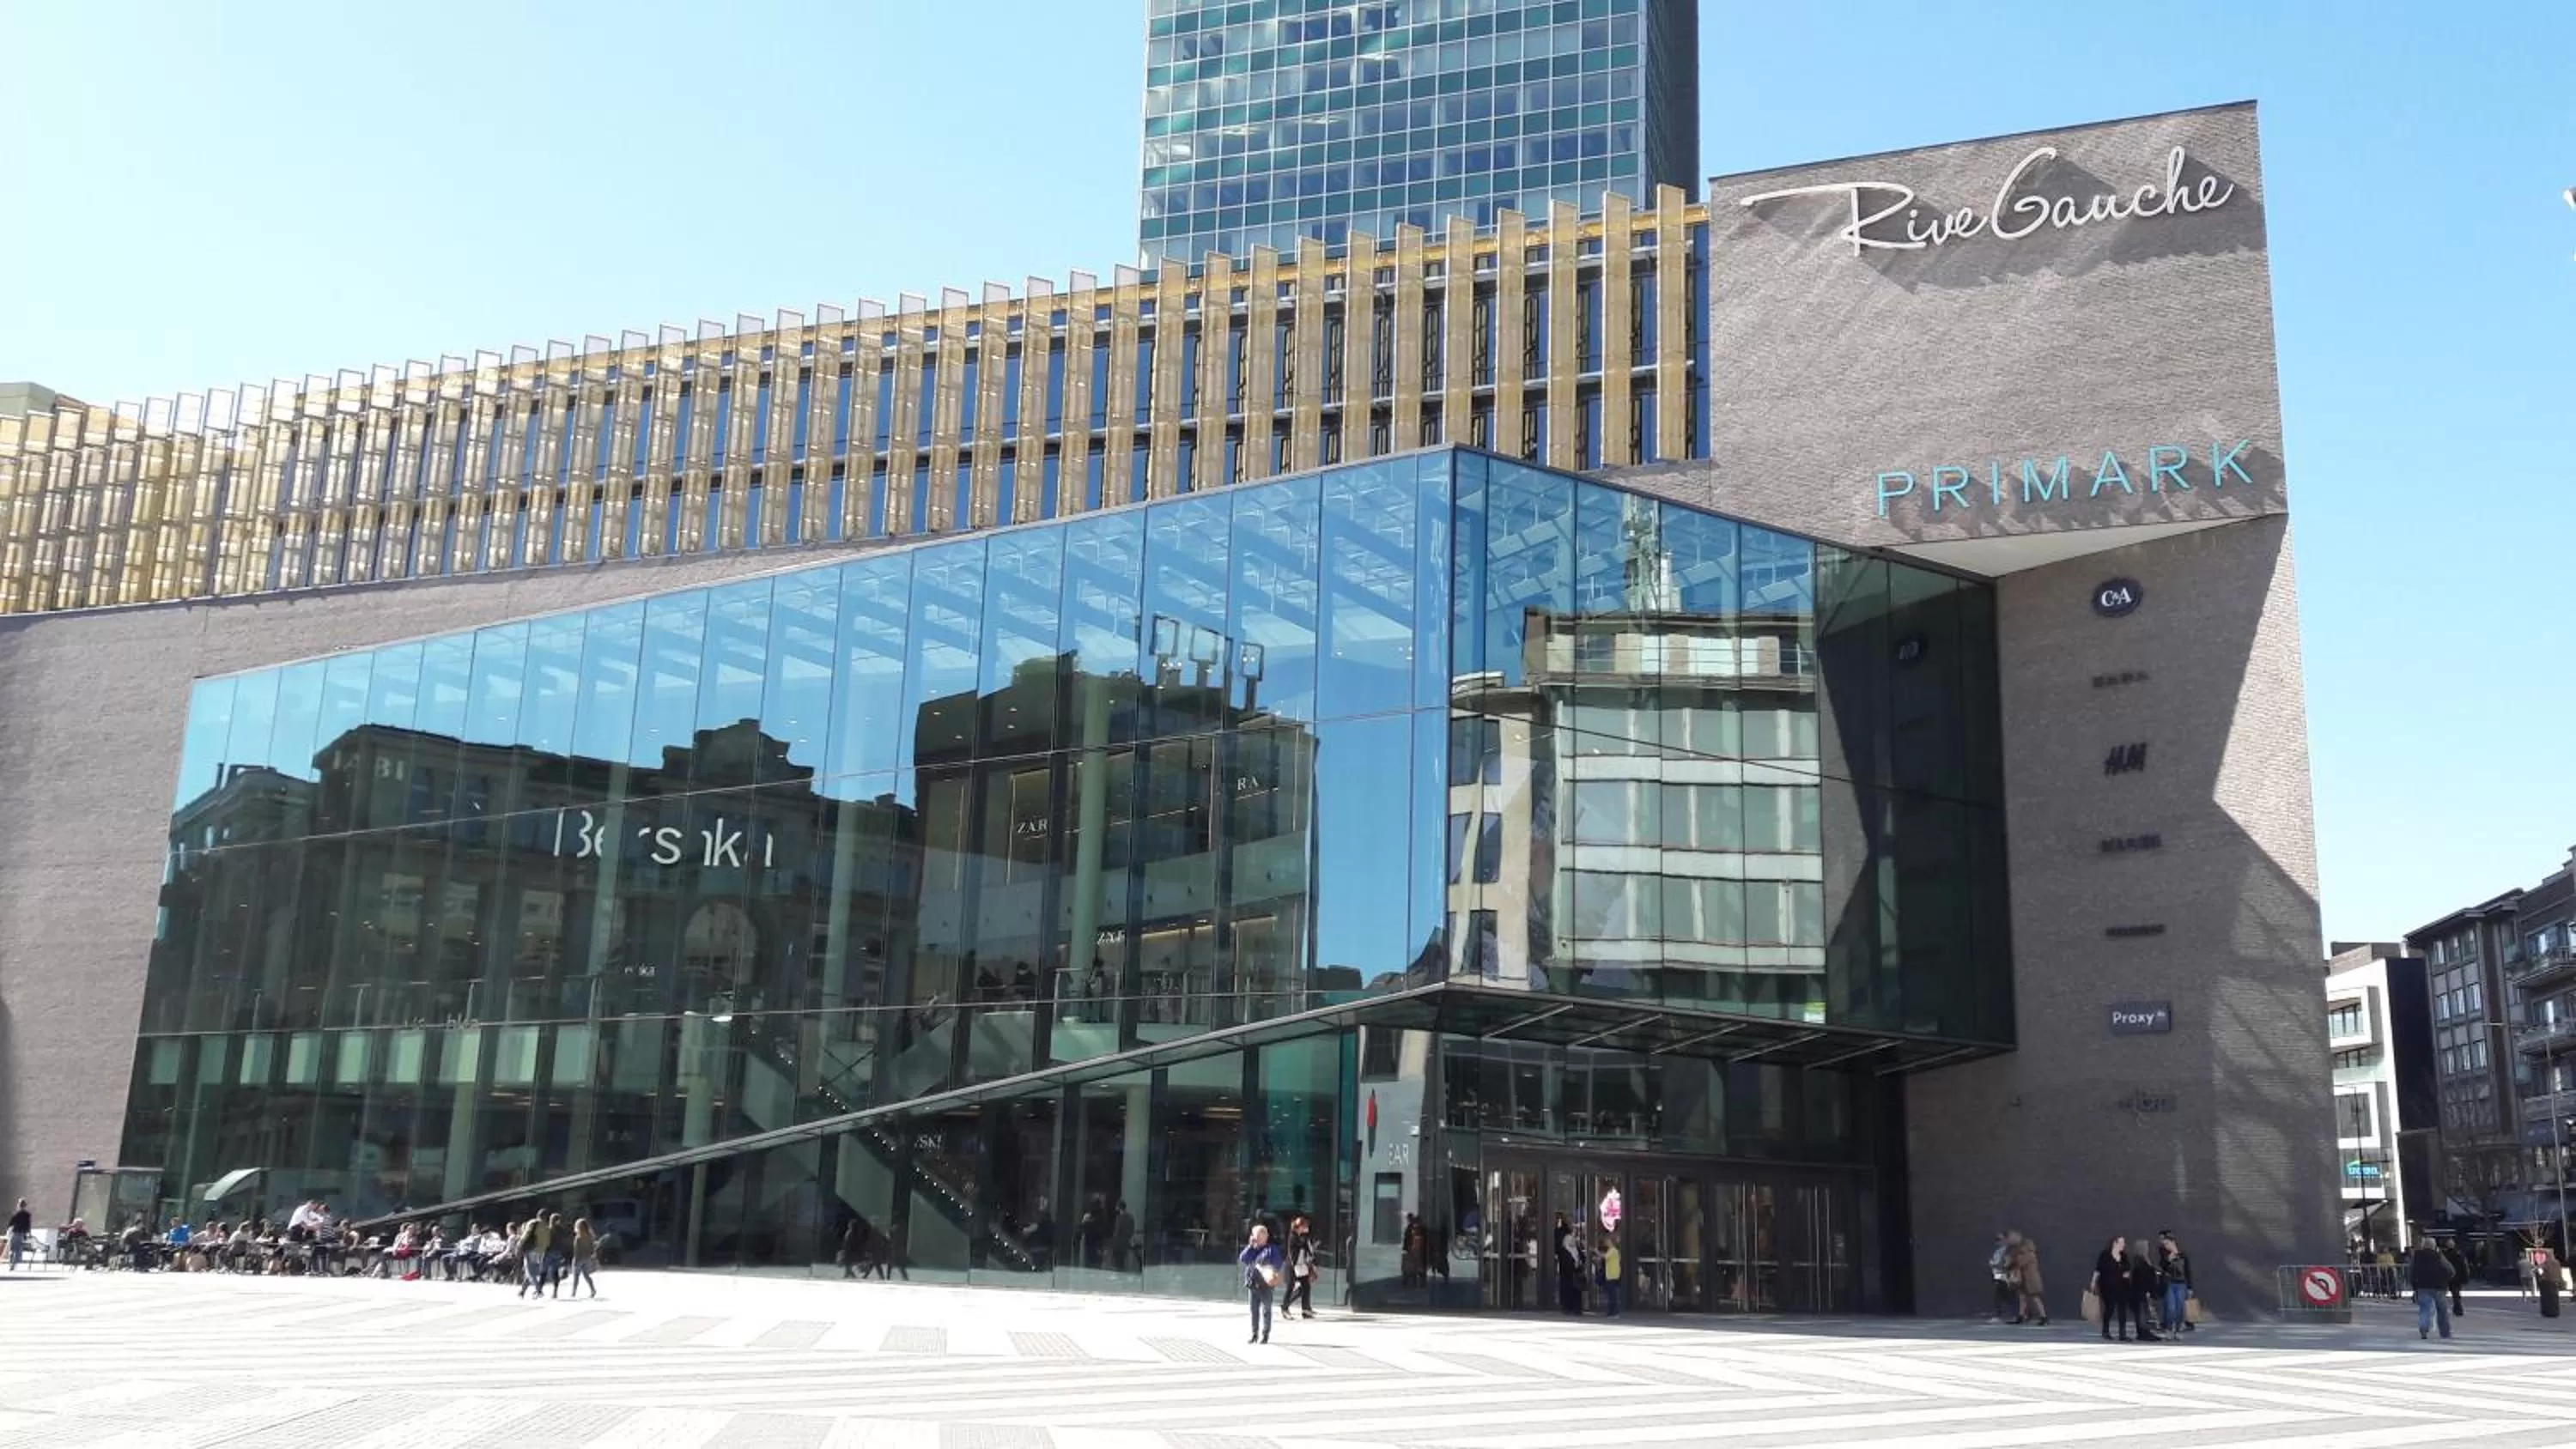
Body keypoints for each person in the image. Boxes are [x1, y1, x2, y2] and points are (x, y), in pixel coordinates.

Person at [1238, 1222, 1283, 1344]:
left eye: (1261, 1236)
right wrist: (1250, 1246)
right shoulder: (1252, 1249)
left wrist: (1269, 1268)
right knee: (1254, 1310)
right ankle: (1254, 1334)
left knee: (1266, 1310)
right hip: (1253, 1283)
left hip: (1266, 1285)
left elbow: (1277, 1263)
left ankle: (1265, 1334)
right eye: (1257, 1236)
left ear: (1266, 1236)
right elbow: (1243, 1258)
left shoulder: (1271, 1249)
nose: (1259, 1239)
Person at [2092, 1234, 2139, 1342]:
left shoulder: (2124, 1255)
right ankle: (2106, 1331)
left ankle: (2123, 1334)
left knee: (2122, 1309)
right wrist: (2093, 1282)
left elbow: (2128, 1268)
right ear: (2115, 1243)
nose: (2124, 1245)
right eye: (2121, 1243)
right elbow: (2098, 1269)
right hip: (2107, 1286)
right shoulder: (2105, 1255)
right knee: (2109, 1308)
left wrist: (2127, 1274)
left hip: (2122, 1286)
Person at [2409, 1238, 2456, 1340]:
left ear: (2423, 1246)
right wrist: (2446, 1280)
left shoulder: (2417, 1256)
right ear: (2434, 1246)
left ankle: (2423, 1327)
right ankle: (2445, 1333)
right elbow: (2450, 1270)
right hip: (2438, 1286)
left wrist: (2414, 1286)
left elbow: (2412, 1271)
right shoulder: (2438, 1256)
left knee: (2425, 1308)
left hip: (2422, 1286)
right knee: (2442, 1310)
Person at [1280, 1214, 1318, 1321]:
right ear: (1300, 1226)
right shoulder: (1293, 1236)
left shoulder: (1302, 1237)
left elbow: (1308, 1249)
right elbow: (1295, 1250)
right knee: (1290, 1287)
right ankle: (1285, 1307)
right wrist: (1305, 1238)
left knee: (1306, 1286)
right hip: (1293, 1266)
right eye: (1305, 1226)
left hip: (1301, 1265)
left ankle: (1306, 1310)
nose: (1307, 1228)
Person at [2125, 1236, 2165, 1340]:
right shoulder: (2139, 1262)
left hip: (2141, 1292)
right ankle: (2143, 1333)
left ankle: (2144, 1332)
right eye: (2146, 1247)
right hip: (2140, 1292)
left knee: (2143, 1313)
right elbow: (2142, 1277)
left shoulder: (2142, 1261)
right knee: (2142, 1313)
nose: (2148, 1249)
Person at [2156, 1230, 2194, 1333]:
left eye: (2167, 1244)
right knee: (2171, 1307)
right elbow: (2161, 1267)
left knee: (2179, 1307)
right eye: (2164, 1244)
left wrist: (2190, 1287)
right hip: (2170, 1283)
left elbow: (2187, 1271)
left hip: (2181, 1283)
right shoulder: (2165, 1256)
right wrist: (2168, 1260)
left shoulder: (2183, 1255)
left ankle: (2177, 1328)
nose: (2165, 1246)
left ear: (2173, 1242)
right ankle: (2169, 1327)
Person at [2005, 1232, 2047, 1325]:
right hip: (2023, 1278)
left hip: (2030, 1278)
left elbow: (2020, 1262)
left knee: (2034, 1297)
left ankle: (2043, 1317)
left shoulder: (2029, 1254)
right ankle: (2021, 1316)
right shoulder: (2019, 1252)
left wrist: (2011, 1261)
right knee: (2023, 1297)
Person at [1552, 1212, 1584, 1316]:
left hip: (1575, 1269)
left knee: (1576, 1288)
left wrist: (1581, 1262)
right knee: (1567, 1287)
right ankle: (1568, 1307)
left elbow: (1579, 1252)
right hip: (1567, 1269)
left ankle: (1577, 1307)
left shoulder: (1575, 1246)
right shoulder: (1562, 1238)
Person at [516, 1215, 553, 1299]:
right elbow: (548, 1243)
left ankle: (538, 1290)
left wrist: (519, 1245)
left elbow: (526, 1235)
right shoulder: (547, 1227)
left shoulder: (533, 1223)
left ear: (538, 1216)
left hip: (531, 1250)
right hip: (540, 1252)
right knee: (531, 1271)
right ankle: (522, 1291)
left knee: (530, 1272)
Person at [567, 1218, 601, 1299]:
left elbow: (576, 1250)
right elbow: (592, 1248)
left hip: (579, 1259)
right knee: (587, 1276)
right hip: (587, 1258)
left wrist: (575, 1260)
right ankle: (593, 1289)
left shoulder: (578, 1238)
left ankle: (573, 1292)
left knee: (576, 1277)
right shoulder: (590, 1237)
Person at [1989, 1233, 2016, 1322]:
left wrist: (1994, 1264)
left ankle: (2016, 1313)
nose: (1998, 1242)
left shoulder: (2007, 1250)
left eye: (2000, 1239)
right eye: (1997, 1240)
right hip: (1997, 1274)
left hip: (2003, 1274)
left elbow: (2005, 1263)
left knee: (2005, 1295)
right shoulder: (1998, 1251)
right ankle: (2000, 1314)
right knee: (2000, 1295)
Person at [2439, 1239, 2470, 1319]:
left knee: (2443, 1293)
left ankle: (2447, 1308)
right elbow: (2464, 1266)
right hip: (2457, 1277)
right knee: (2456, 1294)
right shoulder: (2459, 1254)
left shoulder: (2444, 1255)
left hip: (2448, 1277)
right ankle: (2458, 1309)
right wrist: (2465, 1277)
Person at [1400, 1213, 1428, 1288]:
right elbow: (1407, 1239)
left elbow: (1425, 1240)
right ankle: (1412, 1280)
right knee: (1411, 1266)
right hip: (1413, 1250)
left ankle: (1420, 1281)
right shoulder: (1410, 1228)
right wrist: (1406, 1248)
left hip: (1419, 1251)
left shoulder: (1422, 1229)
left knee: (1419, 1267)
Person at [1600, 1235, 1624, 1318]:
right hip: (1611, 1274)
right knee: (1612, 1294)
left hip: (1612, 1274)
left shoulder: (1613, 1250)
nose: (1606, 1243)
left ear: (1611, 1242)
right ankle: (1611, 1312)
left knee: (1612, 1295)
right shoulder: (1612, 1250)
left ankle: (1614, 1312)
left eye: (1608, 1241)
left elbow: (1605, 1257)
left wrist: (1596, 1252)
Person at [1111, 1200, 1136, 1274]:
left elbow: (1117, 1231)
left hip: (1119, 1242)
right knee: (1122, 1261)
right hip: (1125, 1241)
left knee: (1117, 1262)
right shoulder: (1130, 1217)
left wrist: (1114, 1242)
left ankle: (1119, 1274)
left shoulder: (1119, 1218)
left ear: (1119, 1207)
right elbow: (1132, 1230)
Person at [8, 1198, 32, 1271]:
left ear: (18, 1205)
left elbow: (10, 1223)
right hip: (22, 1233)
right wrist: (29, 1233)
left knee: (12, 1249)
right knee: (18, 1249)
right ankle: (14, 1264)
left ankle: (11, 1263)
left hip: (15, 1232)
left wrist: (8, 1231)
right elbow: (28, 1225)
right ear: (25, 1206)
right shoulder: (27, 1215)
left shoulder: (16, 1213)